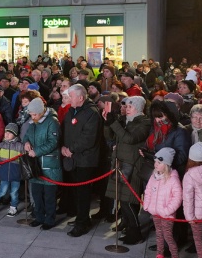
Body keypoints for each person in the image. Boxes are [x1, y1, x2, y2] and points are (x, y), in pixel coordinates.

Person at [103, 95, 152, 244]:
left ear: (138, 108)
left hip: (133, 165)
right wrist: (108, 123)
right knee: (122, 199)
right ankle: (129, 228)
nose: (126, 109)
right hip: (120, 163)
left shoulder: (144, 123)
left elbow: (130, 139)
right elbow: (110, 135)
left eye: (129, 107)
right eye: (125, 106)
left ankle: (136, 232)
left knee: (129, 201)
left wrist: (114, 124)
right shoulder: (126, 120)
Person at [61, 83, 107, 237]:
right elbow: (65, 130)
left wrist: (71, 149)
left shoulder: (92, 113)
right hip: (71, 158)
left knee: (83, 193)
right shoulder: (71, 111)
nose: (68, 98)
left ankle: (82, 223)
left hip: (85, 160)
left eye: (71, 96)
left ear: (80, 97)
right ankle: (82, 217)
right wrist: (63, 147)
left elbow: (88, 138)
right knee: (75, 191)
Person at [22, 97, 62, 230]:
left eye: (34, 114)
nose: (32, 117)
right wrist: (26, 143)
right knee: (37, 193)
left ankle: (49, 219)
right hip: (35, 165)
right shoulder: (34, 121)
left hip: (49, 164)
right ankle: (39, 217)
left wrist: (37, 151)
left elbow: (53, 142)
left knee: (49, 195)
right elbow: (26, 135)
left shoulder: (52, 122)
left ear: (41, 111)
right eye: (31, 115)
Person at [143, 147, 183, 258]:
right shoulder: (154, 176)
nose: (156, 164)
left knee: (168, 236)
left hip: (167, 215)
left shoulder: (173, 179)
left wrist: (167, 210)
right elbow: (148, 191)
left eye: (159, 163)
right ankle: (160, 256)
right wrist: (147, 205)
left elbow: (178, 197)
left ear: (166, 164)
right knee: (159, 235)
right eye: (155, 162)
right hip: (155, 213)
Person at [0, 123, 25, 217]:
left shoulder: (20, 146)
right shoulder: (0, 145)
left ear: (15, 134)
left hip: (16, 173)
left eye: (10, 133)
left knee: (14, 192)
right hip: (4, 172)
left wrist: (21, 172)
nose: (7, 134)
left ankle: (13, 207)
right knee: (3, 190)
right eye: (6, 132)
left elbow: (23, 160)